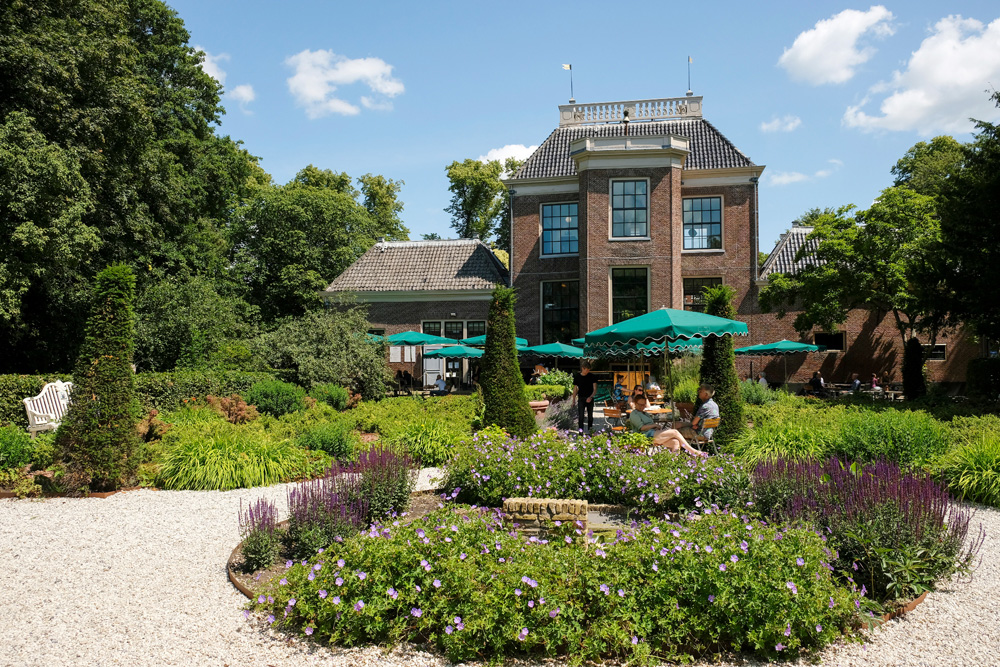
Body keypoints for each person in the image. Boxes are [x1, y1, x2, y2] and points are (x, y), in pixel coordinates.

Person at [572, 361, 598, 432]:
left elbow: (595, 389)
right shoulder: (577, 377)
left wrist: (591, 397)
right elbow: (575, 389)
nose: (588, 371)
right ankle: (580, 432)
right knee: (581, 416)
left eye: (589, 370)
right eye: (587, 369)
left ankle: (590, 430)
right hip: (581, 398)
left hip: (590, 398)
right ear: (583, 368)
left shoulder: (592, 376)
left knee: (590, 416)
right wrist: (573, 400)